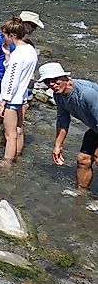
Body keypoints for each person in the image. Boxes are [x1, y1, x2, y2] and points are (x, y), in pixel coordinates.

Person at [41, 62, 98, 193]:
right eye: (47, 82)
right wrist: (57, 146)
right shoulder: (58, 95)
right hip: (95, 128)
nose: (51, 84)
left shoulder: (86, 93)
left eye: (54, 80)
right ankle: (81, 195)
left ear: (65, 77)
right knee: (83, 159)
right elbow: (63, 120)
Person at [0, 11, 44, 116]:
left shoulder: (20, 40)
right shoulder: (5, 36)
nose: (35, 29)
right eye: (33, 25)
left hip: (7, 75)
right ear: (25, 23)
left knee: (5, 106)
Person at [0, 17, 37, 163]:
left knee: (10, 135)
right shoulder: (30, 50)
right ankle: (17, 157)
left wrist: (3, 103)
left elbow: (12, 80)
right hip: (22, 97)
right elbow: (20, 74)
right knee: (19, 130)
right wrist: (7, 55)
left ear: (12, 36)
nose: (3, 38)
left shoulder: (18, 55)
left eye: (4, 36)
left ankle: (6, 164)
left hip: (12, 99)